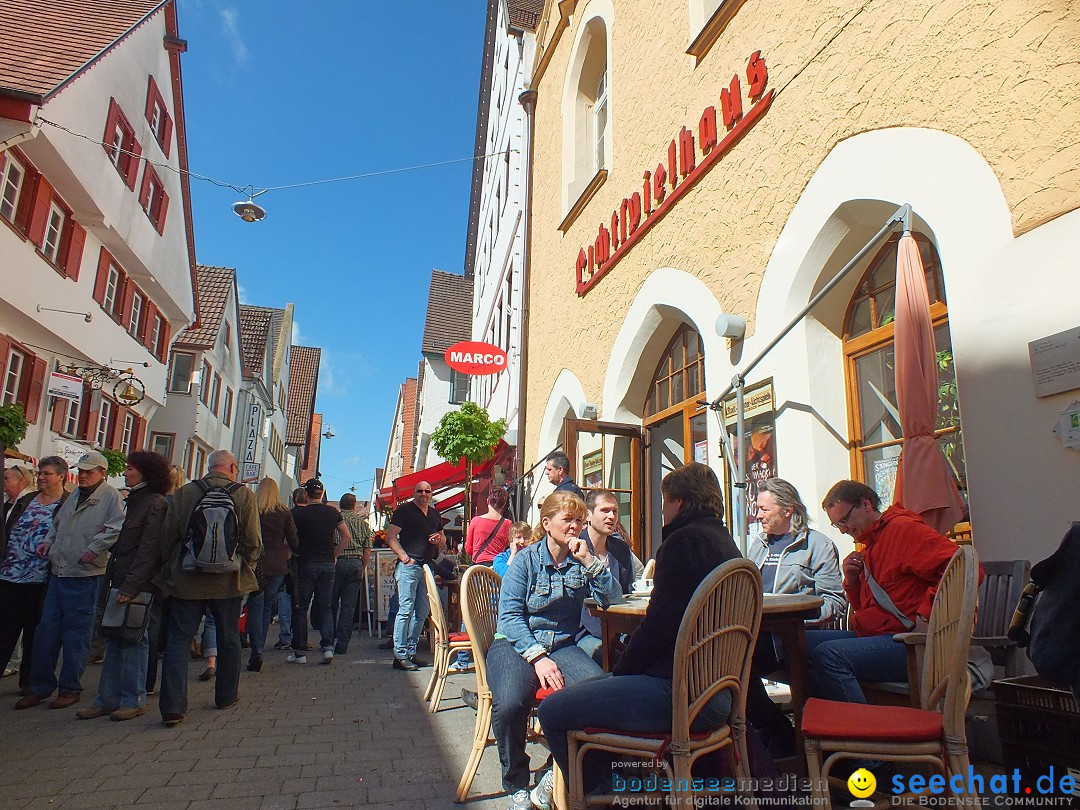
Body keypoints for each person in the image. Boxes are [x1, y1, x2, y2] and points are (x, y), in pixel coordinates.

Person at [537, 462, 741, 804]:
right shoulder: (724, 541)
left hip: (681, 696)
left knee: (553, 711)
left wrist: (622, 673)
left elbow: (658, 629)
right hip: (720, 692)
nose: (662, 509)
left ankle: (597, 795)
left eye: (664, 501)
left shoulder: (682, 543)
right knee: (594, 687)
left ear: (678, 502)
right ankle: (611, 784)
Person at [490, 490, 618, 810]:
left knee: (601, 695)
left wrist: (589, 561)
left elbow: (611, 599)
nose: (574, 526)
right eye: (567, 520)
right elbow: (509, 616)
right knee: (509, 702)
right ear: (547, 524)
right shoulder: (525, 561)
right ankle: (516, 782)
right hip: (515, 644)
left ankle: (555, 771)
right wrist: (537, 656)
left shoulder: (580, 560)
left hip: (562, 645)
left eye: (578, 520)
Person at [808, 480, 962, 704]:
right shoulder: (872, 543)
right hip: (881, 636)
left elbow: (962, 567)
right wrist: (852, 582)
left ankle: (863, 734)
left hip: (911, 645)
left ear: (866, 504)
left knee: (829, 655)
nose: (843, 529)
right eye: (837, 525)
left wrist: (927, 613)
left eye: (845, 519)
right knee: (797, 643)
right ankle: (816, 728)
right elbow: (868, 609)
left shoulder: (903, 530)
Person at [155, 450, 261, 726]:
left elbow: (168, 536)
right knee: (229, 639)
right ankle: (226, 696)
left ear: (209, 467)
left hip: (188, 579)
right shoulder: (243, 495)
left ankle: (173, 707)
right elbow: (253, 541)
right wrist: (240, 564)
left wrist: (175, 566)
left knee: (178, 641)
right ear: (233, 468)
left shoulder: (186, 493)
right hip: (229, 582)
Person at [15, 450, 125, 710]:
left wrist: (96, 548)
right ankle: (40, 686)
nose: (83, 475)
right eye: (82, 471)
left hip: (85, 575)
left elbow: (115, 528)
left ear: (102, 473)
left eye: (89, 471)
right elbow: (58, 523)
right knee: (46, 631)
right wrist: (47, 542)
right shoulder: (75, 493)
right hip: (60, 570)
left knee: (76, 634)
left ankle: (70, 688)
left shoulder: (110, 497)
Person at [746, 478, 845, 756]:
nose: (758, 515)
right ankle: (773, 731)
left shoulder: (817, 545)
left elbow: (834, 603)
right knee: (718, 657)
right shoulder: (759, 545)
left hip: (789, 637)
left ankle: (776, 735)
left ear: (788, 511)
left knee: (734, 662)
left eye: (765, 509)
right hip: (756, 631)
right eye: (757, 508)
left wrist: (795, 621)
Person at [77, 451, 170, 721]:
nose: (125, 473)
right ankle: (107, 698)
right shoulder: (137, 501)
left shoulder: (153, 504)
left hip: (137, 585)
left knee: (133, 640)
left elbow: (149, 551)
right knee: (115, 639)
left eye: (130, 469)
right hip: (122, 580)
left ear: (145, 473)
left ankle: (133, 697)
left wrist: (131, 586)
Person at [0, 457, 69, 695]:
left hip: (40, 578)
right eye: (40, 473)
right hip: (10, 574)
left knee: (34, 632)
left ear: (61, 476)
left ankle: (29, 683)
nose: (41, 477)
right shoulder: (27, 500)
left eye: (47, 474)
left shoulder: (67, 503)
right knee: (5, 629)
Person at [576, 488, 642, 664]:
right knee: (620, 662)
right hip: (583, 632)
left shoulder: (621, 549)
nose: (611, 516)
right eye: (605, 510)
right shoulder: (575, 550)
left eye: (615, 511)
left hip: (619, 630)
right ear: (588, 515)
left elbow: (627, 593)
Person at [288, 479, 349, 665]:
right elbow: (346, 536)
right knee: (326, 607)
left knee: (301, 607)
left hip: (305, 563)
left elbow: (290, 539)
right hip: (327, 564)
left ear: (306, 494)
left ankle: (300, 652)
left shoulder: (299, 514)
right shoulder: (332, 512)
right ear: (321, 494)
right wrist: (335, 555)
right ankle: (328, 647)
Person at [385, 481, 443, 672]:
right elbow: (391, 536)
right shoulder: (405, 511)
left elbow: (441, 539)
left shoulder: (434, 514)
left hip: (427, 566)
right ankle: (399, 655)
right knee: (406, 609)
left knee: (423, 611)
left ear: (431, 493)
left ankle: (410, 652)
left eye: (427, 491)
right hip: (409, 567)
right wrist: (404, 557)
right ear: (414, 492)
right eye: (420, 491)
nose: (424, 494)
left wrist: (438, 540)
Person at [249, 477, 298, 666]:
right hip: (277, 564)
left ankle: (256, 649)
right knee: (267, 606)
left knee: (255, 605)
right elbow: (293, 539)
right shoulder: (283, 512)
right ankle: (259, 647)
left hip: (256, 563)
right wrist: (293, 552)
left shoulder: (253, 508)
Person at [332, 492, 371, 655]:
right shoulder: (362, 524)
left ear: (340, 505)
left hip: (338, 561)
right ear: (355, 506)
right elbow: (367, 550)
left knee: (331, 602)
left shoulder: (335, 521)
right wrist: (362, 568)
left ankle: (328, 638)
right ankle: (342, 643)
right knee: (348, 605)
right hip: (356, 562)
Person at [466, 488, 511, 566]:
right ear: (503, 505)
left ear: (487, 501)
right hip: (497, 567)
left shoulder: (475, 521)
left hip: (478, 568)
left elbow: (468, 549)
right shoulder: (508, 524)